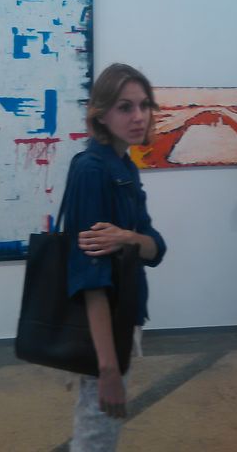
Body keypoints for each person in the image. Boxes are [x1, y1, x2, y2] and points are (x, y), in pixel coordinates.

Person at [64, 63, 167, 452]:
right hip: (102, 332)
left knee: (101, 434)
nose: (139, 116)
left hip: (123, 319)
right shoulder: (92, 170)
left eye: (144, 105)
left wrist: (128, 237)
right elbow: (91, 278)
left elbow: (156, 248)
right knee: (95, 438)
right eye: (125, 107)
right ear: (101, 114)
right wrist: (107, 368)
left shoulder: (124, 167)